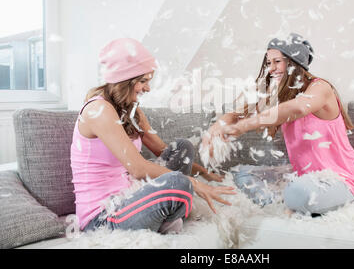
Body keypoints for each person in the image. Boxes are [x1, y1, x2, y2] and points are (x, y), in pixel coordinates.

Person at [70, 38, 236, 234]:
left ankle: (164, 215)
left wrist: (205, 174)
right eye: (143, 81)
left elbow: (163, 151)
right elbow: (139, 169)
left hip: (129, 197)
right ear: (124, 81)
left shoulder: (132, 111)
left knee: (182, 148)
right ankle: (168, 215)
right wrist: (194, 183)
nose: (148, 88)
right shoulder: (98, 110)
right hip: (103, 218)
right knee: (179, 182)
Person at [202, 33, 354, 216]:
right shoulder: (278, 93)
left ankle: (293, 199)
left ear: (294, 63)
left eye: (277, 62)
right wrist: (214, 130)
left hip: (341, 180)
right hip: (304, 176)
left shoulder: (320, 88)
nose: (271, 68)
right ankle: (286, 202)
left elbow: (296, 108)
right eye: (268, 63)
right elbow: (236, 112)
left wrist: (243, 126)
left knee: (297, 192)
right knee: (242, 174)